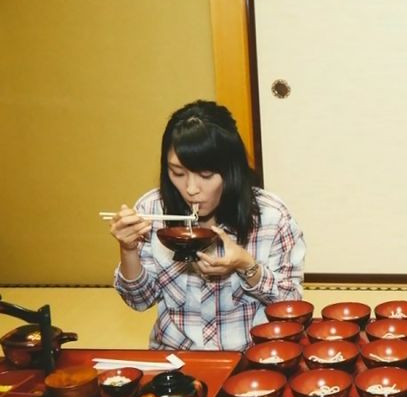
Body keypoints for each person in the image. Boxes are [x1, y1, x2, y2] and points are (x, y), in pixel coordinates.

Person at [107, 100, 306, 350]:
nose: (191, 189)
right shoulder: (152, 211)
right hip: (176, 355)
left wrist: (247, 266)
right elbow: (139, 301)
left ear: (231, 170)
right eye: (178, 173)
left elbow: (292, 307)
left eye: (206, 175)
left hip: (251, 355)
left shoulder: (271, 216)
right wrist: (128, 249)